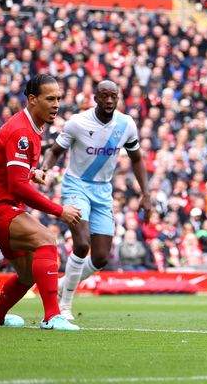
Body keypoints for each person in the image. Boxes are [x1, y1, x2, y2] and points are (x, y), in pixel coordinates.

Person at [0, 74, 82, 331]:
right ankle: (52, 317)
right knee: (46, 240)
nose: (56, 104)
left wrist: (33, 173)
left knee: (27, 274)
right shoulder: (22, 131)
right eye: (50, 99)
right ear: (32, 99)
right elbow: (17, 186)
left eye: (58, 99)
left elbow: (11, 172)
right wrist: (59, 211)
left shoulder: (31, 126)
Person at [43, 80, 152, 320]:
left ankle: (63, 285)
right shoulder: (77, 123)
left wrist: (146, 194)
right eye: (105, 96)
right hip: (76, 186)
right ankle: (65, 306)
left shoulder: (126, 124)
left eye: (114, 96)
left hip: (103, 191)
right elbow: (55, 151)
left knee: (101, 257)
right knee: (81, 244)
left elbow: (136, 159)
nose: (110, 101)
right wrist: (44, 169)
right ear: (96, 98)